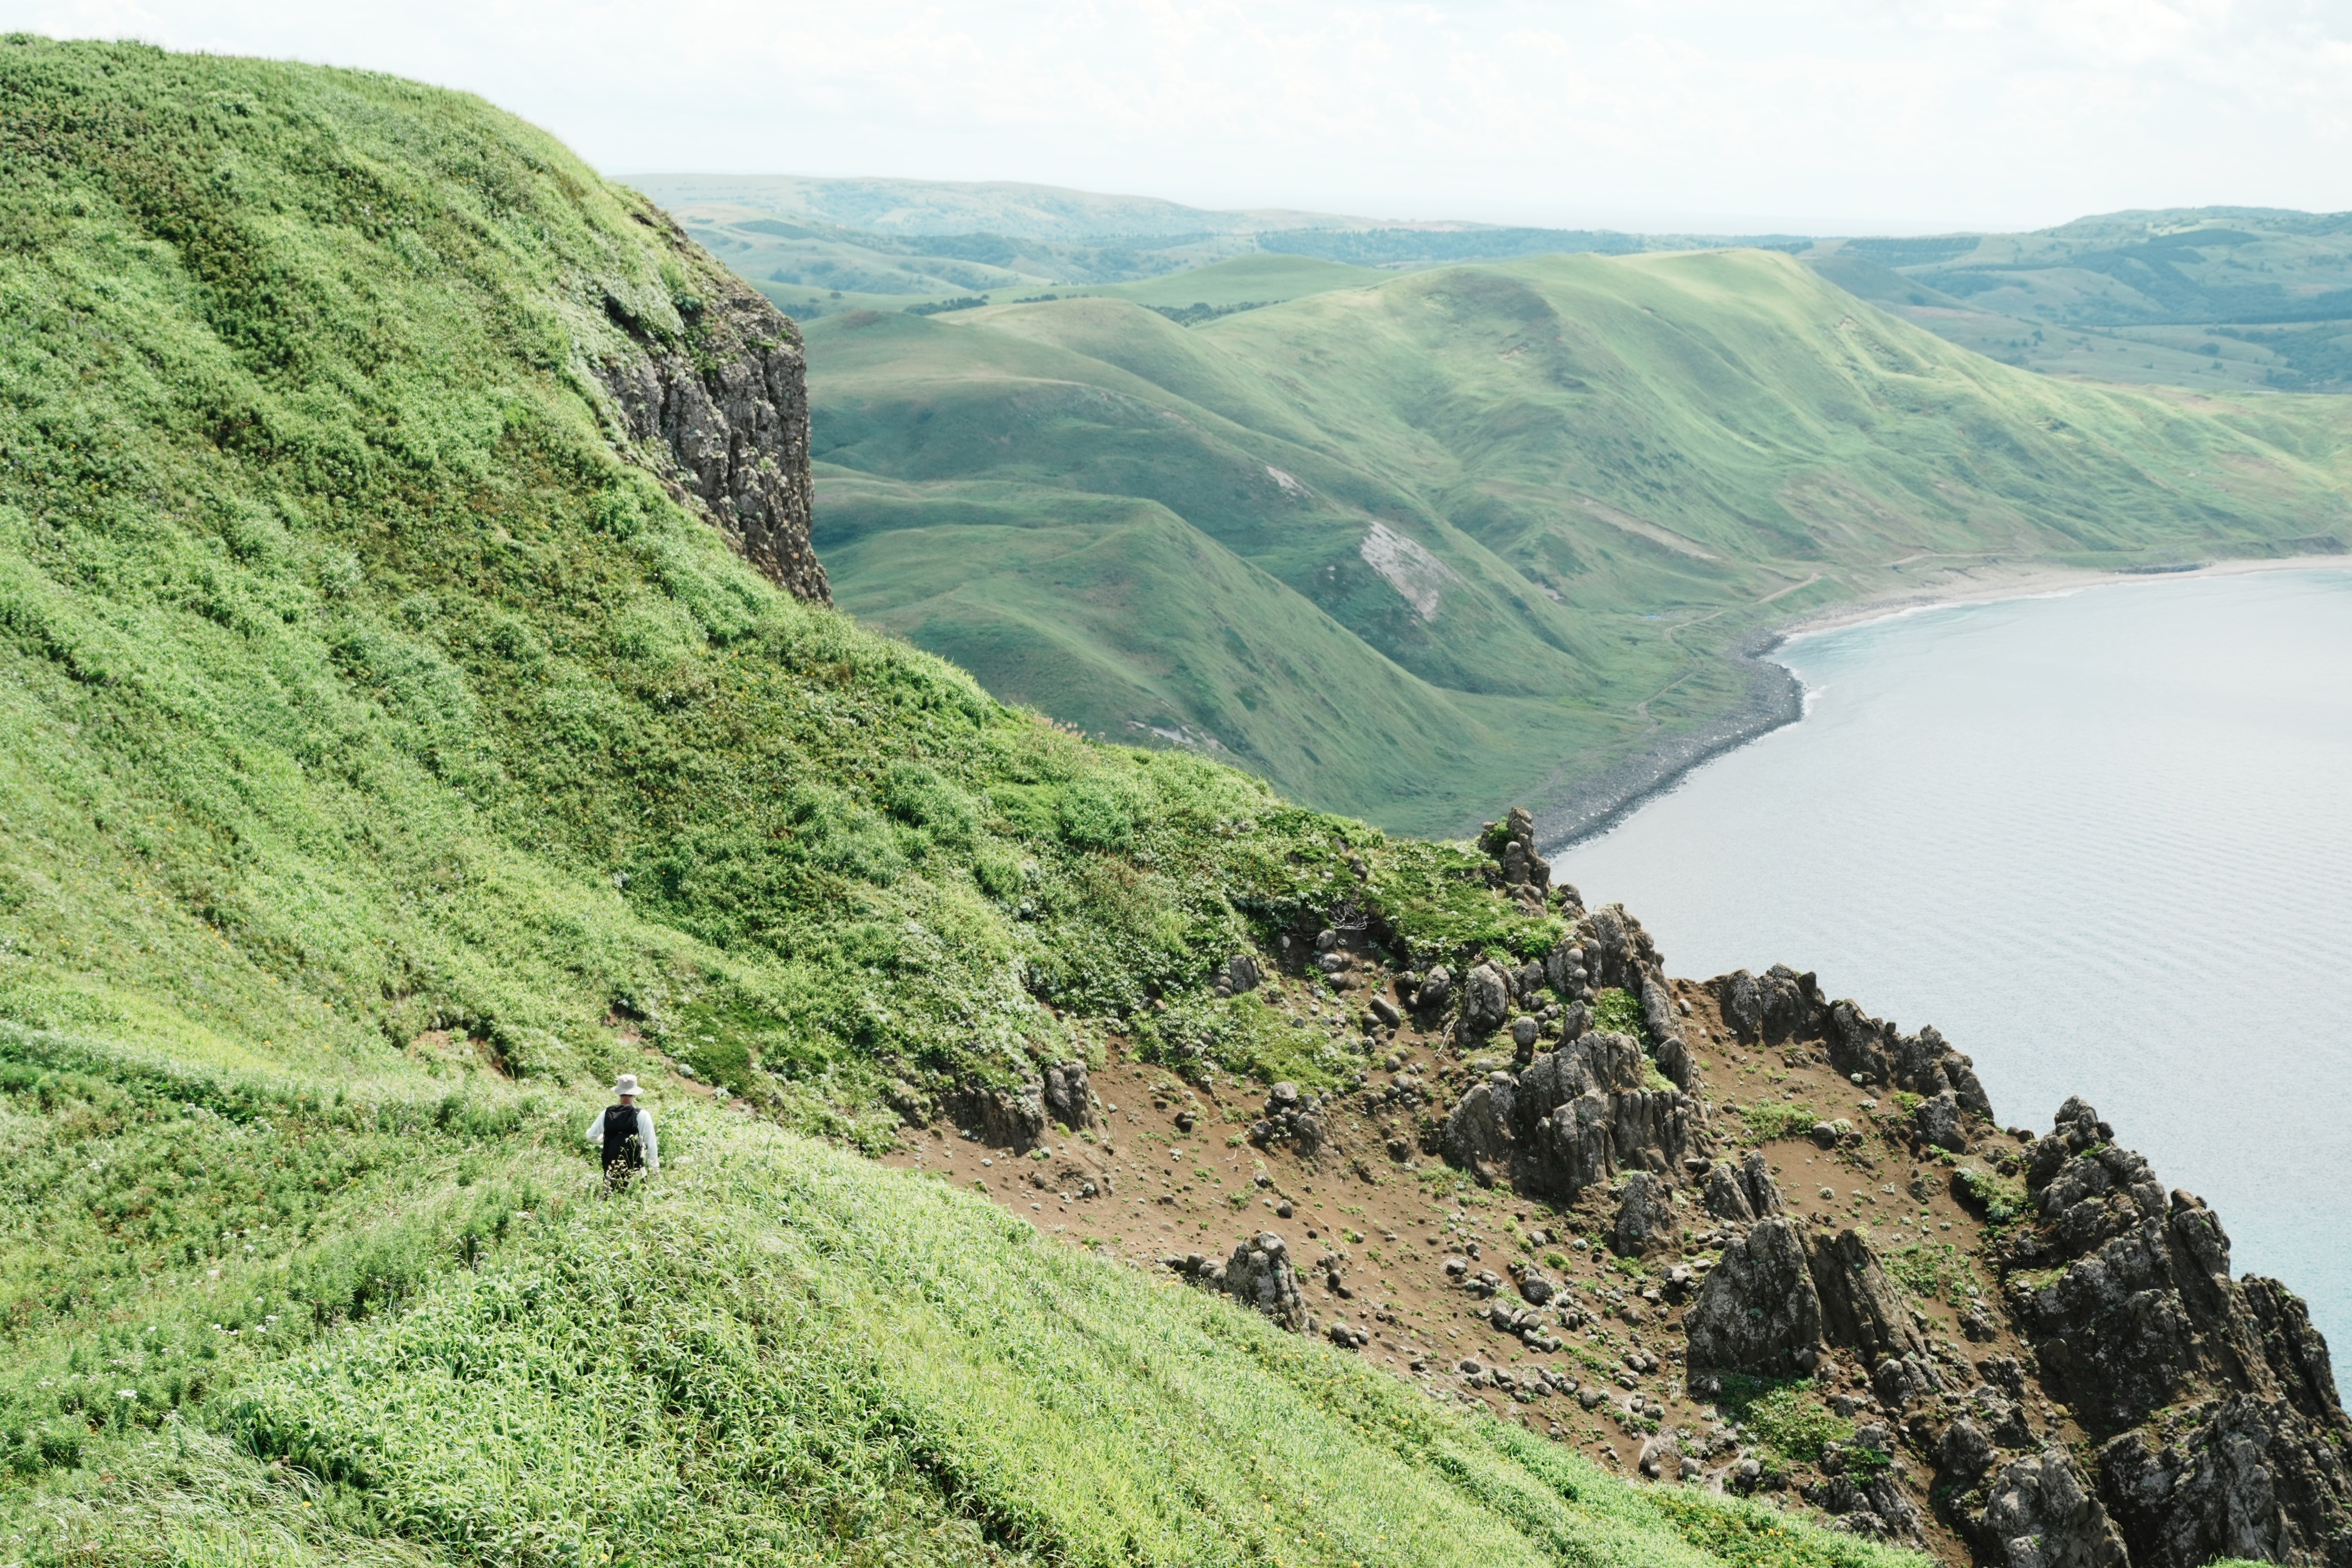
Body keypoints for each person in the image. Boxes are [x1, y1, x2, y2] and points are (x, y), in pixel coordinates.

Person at [587, 1073, 660, 1187]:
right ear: (635, 1093)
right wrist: (655, 1171)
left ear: (619, 1093)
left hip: (611, 1175)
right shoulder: (643, 1115)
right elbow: (651, 1146)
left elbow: (591, 1136)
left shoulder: (607, 1114)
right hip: (637, 1175)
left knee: (609, 1203)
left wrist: (606, 1139)